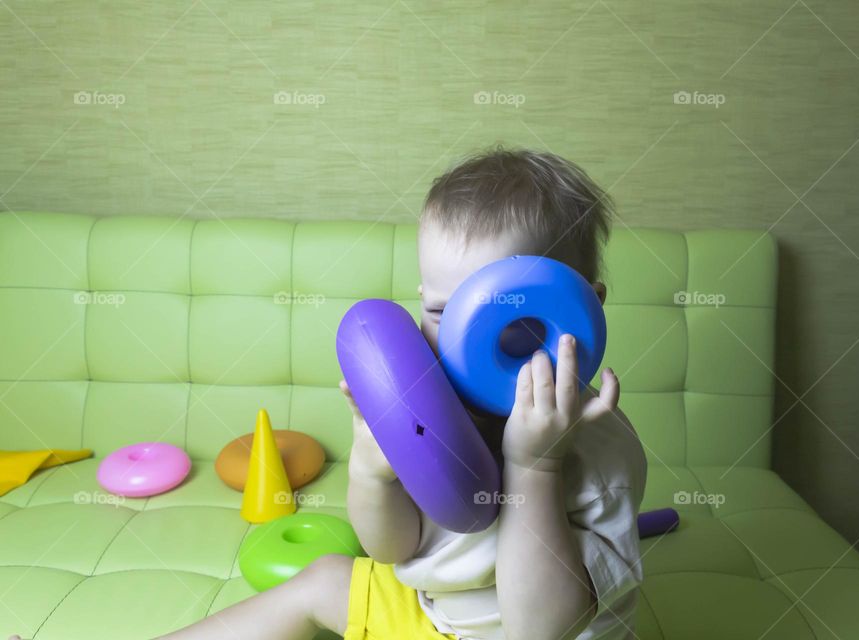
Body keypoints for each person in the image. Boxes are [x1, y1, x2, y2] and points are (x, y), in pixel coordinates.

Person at [104, 146, 647, 640]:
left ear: (583, 308)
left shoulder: (597, 454)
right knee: (324, 579)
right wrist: (373, 469)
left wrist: (535, 467)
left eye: (504, 322)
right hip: (433, 618)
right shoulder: (429, 409)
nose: (459, 346)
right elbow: (394, 548)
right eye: (440, 312)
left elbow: (541, 630)